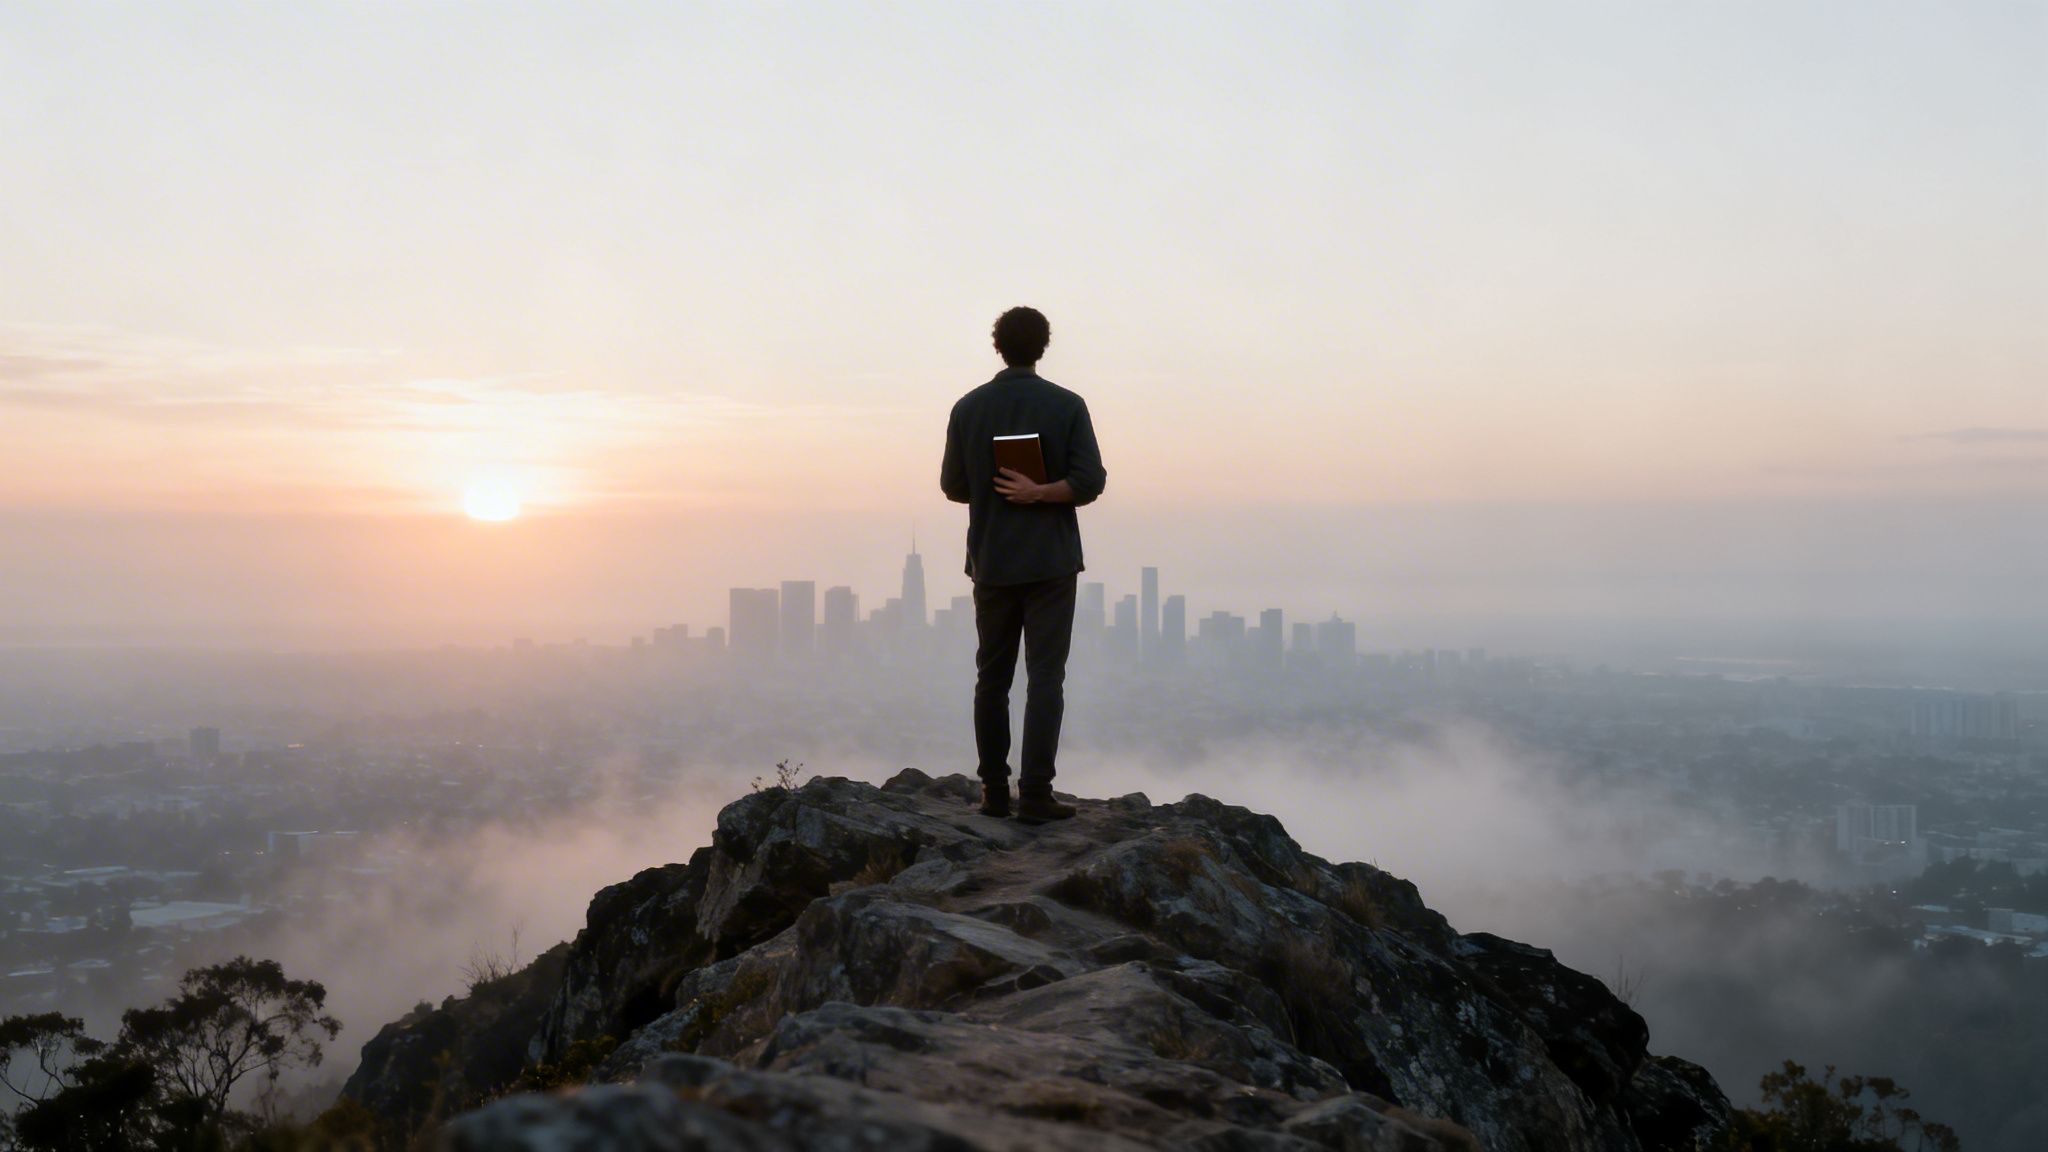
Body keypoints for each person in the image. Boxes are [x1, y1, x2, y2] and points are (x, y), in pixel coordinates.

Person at [940, 306, 1107, 823]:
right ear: (1043, 346)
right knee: (1045, 679)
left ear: (997, 345)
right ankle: (1034, 794)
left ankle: (993, 791)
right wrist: (1040, 492)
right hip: (1051, 563)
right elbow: (1090, 481)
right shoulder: (1067, 405)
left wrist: (999, 487)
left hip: (992, 561)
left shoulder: (968, 409)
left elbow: (953, 486)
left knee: (991, 679)